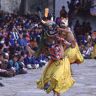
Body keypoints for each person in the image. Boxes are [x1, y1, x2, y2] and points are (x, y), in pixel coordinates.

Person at [37, 23, 75, 96]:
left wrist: (70, 43)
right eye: (49, 36)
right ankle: (55, 93)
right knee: (48, 77)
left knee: (56, 77)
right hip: (53, 62)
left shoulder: (59, 39)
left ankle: (57, 94)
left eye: (53, 35)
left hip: (61, 62)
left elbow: (71, 42)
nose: (51, 37)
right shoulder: (45, 43)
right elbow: (45, 52)